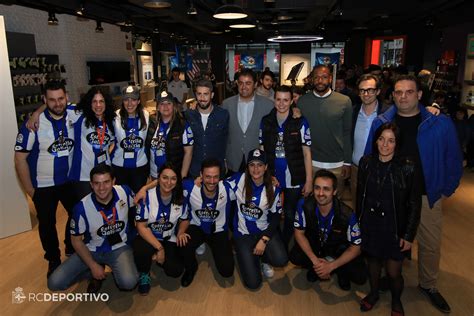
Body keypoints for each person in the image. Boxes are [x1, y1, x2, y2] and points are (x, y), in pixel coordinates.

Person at [365, 75, 463, 313]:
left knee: (429, 244)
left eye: (409, 92)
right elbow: (371, 155)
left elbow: (454, 157)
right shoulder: (382, 122)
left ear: (419, 95)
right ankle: (389, 277)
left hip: (426, 194)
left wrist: (446, 188)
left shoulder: (439, 123)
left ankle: (428, 285)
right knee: (391, 239)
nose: (403, 96)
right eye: (398, 92)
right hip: (392, 195)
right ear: (392, 95)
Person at [357, 123, 422, 315]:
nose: (385, 144)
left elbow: (414, 204)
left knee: (394, 272)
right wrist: (358, 224)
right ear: (376, 141)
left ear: (397, 143)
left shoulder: (408, 167)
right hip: (370, 224)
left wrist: (408, 235)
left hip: (394, 227)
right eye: (381, 139)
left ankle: (396, 300)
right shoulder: (366, 162)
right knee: (373, 265)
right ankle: (374, 293)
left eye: (391, 141)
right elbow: (360, 195)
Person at [14, 80, 76, 277]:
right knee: (47, 225)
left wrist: (37, 110)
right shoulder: (33, 125)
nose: (57, 104)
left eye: (60, 98)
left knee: (77, 215)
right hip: (43, 186)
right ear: (44, 100)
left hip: (68, 182)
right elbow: (19, 160)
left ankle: (70, 246)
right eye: (51, 100)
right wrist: (30, 190)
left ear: (67, 97)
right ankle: (53, 259)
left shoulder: (74, 114)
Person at [47, 164, 138, 293]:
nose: (101, 188)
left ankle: (110, 269)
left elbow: (141, 205)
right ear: (91, 184)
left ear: (113, 181)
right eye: (97, 183)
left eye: (106, 182)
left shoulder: (125, 192)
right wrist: (92, 265)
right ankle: (92, 271)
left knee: (128, 282)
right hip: (91, 250)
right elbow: (76, 240)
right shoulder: (81, 208)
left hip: (120, 247)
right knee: (54, 283)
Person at [290, 169, 366, 291]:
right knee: (295, 256)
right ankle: (317, 268)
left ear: (334, 191)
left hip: (337, 250)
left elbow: (356, 248)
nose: (320, 193)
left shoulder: (347, 214)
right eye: (317, 188)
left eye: (326, 189)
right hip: (317, 247)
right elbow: (299, 233)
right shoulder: (304, 204)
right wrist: (315, 262)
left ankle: (340, 269)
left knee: (360, 277)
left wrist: (331, 266)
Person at [259, 85, 313, 249]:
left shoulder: (300, 121)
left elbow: (307, 153)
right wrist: (265, 175)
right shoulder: (266, 121)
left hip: (294, 175)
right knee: (271, 211)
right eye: (278, 99)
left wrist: (309, 180)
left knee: (290, 212)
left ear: (291, 101)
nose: (281, 104)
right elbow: (262, 149)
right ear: (274, 99)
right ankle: (269, 241)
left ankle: (283, 242)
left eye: (285, 100)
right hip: (273, 175)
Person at [228, 149, 288, 290]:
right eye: (252, 165)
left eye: (260, 165)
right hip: (243, 235)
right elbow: (216, 187)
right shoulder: (238, 180)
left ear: (266, 167)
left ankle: (264, 259)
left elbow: (275, 218)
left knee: (281, 259)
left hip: (264, 231)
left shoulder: (273, 187)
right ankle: (250, 256)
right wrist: (200, 181)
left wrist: (264, 239)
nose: (256, 169)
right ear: (247, 167)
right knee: (254, 284)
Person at [133, 163, 191, 295]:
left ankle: (157, 257)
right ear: (158, 178)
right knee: (141, 251)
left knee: (175, 271)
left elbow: (185, 219)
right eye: (165, 177)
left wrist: (181, 232)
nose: (168, 182)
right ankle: (144, 273)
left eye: (173, 178)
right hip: (147, 237)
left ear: (177, 181)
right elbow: (141, 227)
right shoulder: (146, 197)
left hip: (168, 237)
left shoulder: (181, 198)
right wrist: (160, 248)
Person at [178, 158, 235, 287]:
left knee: (227, 271)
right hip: (197, 227)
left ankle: (217, 247)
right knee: (182, 244)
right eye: (208, 177)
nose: (212, 181)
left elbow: (249, 177)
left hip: (219, 231)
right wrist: (144, 189)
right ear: (200, 175)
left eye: (215, 177)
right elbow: (167, 182)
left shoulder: (227, 188)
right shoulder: (189, 186)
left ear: (220, 177)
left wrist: (269, 178)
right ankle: (191, 268)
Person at [297, 65, 352, 198]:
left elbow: (347, 132)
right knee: (311, 205)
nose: (320, 81)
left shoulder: (344, 101)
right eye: (316, 77)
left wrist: (347, 162)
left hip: (337, 164)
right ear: (311, 79)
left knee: (335, 205)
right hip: (310, 165)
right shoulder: (302, 102)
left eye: (324, 77)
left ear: (330, 78)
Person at [68, 86, 116, 202]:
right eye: (94, 101)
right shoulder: (79, 115)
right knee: (85, 211)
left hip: (105, 175)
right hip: (83, 176)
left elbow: (114, 142)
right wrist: (36, 114)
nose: (98, 105)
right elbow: (57, 105)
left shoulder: (112, 120)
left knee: (103, 208)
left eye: (101, 101)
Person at [222, 68, 274, 174]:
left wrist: (295, 111)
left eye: (248, 83)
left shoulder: (268, 105)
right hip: (233, 160)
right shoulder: (226, 104)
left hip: (257, 162)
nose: (243, 87)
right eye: (241, 83)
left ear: (255, 85)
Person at [351, 74, 388, 206]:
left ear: (378, 91)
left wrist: (432, 108)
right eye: (362, 90)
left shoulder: (387, 113)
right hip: (357, 170)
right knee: (358, 206)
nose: (366, 94)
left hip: (380, 170)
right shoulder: (353, 112)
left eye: (370, 90)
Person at [185, 79, 229, 178]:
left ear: (212, 95)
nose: (202, 98)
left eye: (206, 94)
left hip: (216, 172)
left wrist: (226, 161)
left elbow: (227, 140)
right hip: (194, 171)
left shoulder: (223, 115)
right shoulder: (188, 115)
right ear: (195, 95)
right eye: (199, 94)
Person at [110, 85, 150, 194]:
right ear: (122, 101)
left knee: (138, 200)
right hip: (119, 167)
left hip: (140, 167)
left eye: (133, 100)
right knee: (122, 200)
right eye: (126, 100)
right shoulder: (115, 117)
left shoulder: (146, 116)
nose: (129, 103)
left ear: (138, 101)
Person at [146, 90, 193, 180]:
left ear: (174, 106)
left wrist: (182, 177)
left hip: (172, 176)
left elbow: (188, 152)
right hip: (154, 174)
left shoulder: (182, 125)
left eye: (169, 103)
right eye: (162, 103)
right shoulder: (152, 123)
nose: (165, 106)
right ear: (158, 107)